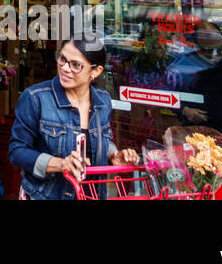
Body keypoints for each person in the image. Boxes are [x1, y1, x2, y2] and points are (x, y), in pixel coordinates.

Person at [8, 38, 140, 199]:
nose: (65, 68)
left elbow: (104, 138)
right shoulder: (36, 98)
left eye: (75, 65)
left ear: (96, 71)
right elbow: (17, 152)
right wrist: (61, 164)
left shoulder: (102, 101)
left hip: (92, 195)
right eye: (62, 59)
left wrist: (113, 155)